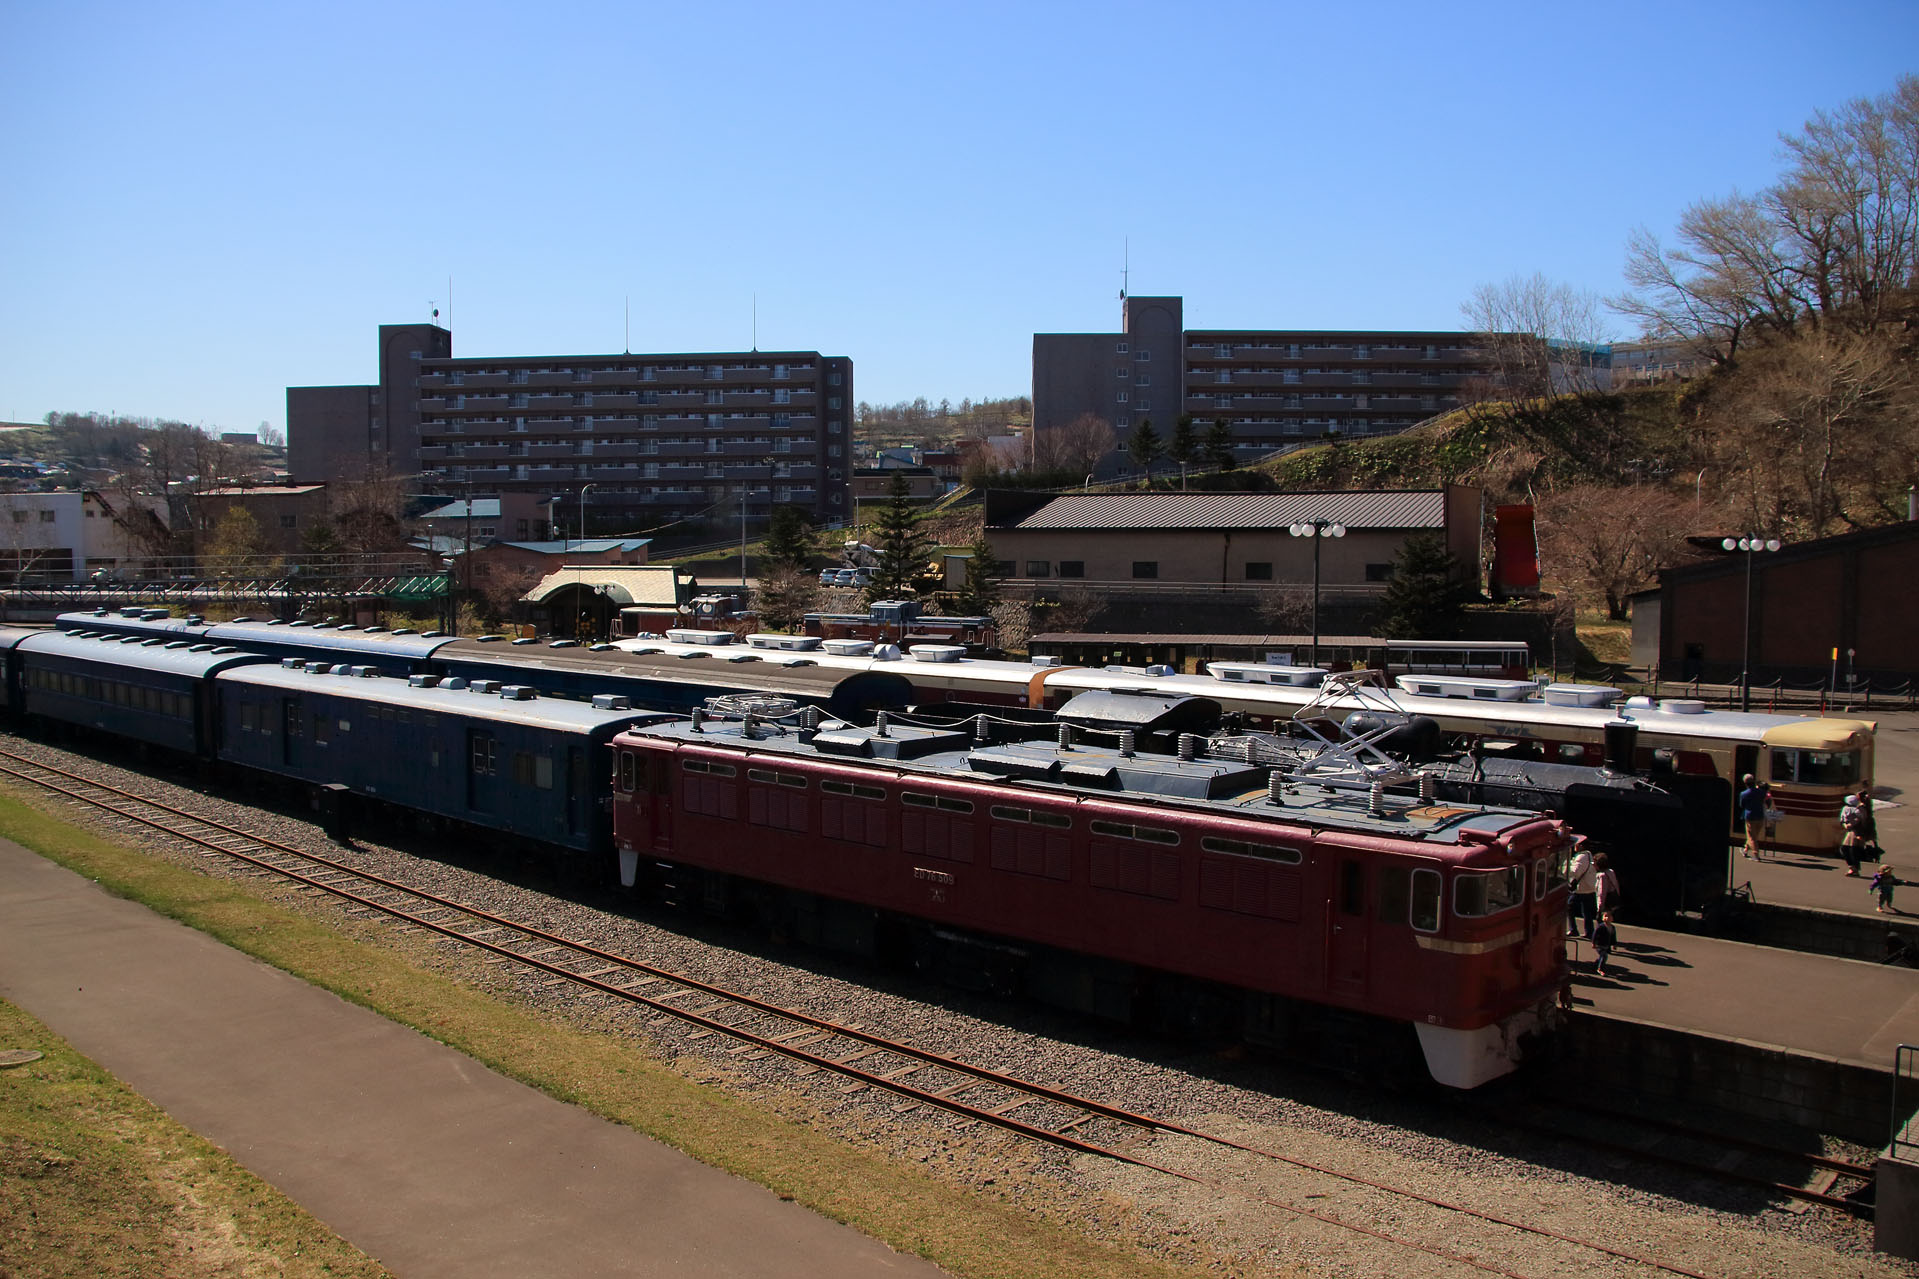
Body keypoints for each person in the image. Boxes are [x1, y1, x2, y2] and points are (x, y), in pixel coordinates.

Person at [1566, 841, 1597, 939]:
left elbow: (1575, 872)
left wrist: (1566, 867)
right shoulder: (1589, 855)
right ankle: (1589, 931)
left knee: (1569, 906)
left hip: (1581, 888)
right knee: (1587, 911)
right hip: (1589, 887)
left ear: (1581, 846)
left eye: (1577, 844)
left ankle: (1573, 929)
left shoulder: (1581, 857)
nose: (1575, 846)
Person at [1738, 774, 1766, 860]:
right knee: (1754, 835)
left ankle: (1756, 855)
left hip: (1750, 817)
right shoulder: (1761, 792)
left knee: (1751, 837)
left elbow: (1741, 805)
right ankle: (1745, 850)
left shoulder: (1743, 794)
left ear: (1745, 783)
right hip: (1760, 816)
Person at [1841, 794, 1866, 877]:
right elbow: (1843, 819)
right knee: (1845, 848)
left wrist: (1851, 824)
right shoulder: (1846, 809)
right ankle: (1852, 867)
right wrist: (1845, 825)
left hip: (1856, 831)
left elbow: (1860, 818)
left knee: (1853, 850)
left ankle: (1854, 868)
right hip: (1850, 831)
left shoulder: (1859, 809)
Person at [1594, 851, 1621, 922]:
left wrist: (1599, 908)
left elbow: (1601, 893)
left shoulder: (1602, 876)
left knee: (1603, 922)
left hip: (1606, 904)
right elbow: (1616, 885)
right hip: (1613, 902)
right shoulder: (1611, 871)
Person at [1592, 910, 1618, 976]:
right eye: (1605, 916)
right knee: (1604, 956)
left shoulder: (1612, 927)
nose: (1607, 918)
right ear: (1602, 918)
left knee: (1602, 956)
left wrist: (1614, 944)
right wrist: (1593, 943)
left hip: (1606, 945)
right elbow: (1594, 935)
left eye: (1609, 916)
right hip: (1599, 945)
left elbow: (1613, 936)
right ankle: (1600, 969)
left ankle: (1596, 964)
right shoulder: (1600, 927)